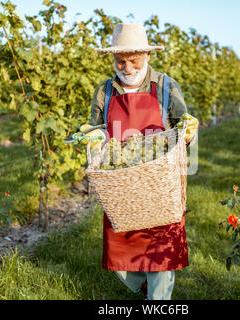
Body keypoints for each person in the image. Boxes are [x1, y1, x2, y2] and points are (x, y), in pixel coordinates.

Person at [79, 23, 198, 300]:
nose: (127, 67)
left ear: (147, 56)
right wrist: (93, 136)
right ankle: (143, 284)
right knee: (120, 246)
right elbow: (95, 126)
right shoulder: (105, 91)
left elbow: (183, 128)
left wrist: (188, 132)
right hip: (122, 183)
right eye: (121, 61)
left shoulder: (166, 86)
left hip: (159, 182)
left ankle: (158, 299)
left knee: (161, 246)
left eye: (134, 60)